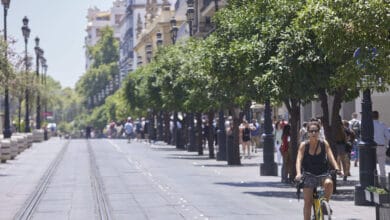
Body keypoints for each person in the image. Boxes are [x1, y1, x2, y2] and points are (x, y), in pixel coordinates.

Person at [295, 120, 342, 220]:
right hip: (308, 175)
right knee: (308, 202)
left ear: (319, 132)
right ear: (307, 132)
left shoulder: (323, 143)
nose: (313, 133)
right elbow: (298, 160)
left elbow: (331, 157)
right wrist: (298, 173)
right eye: (311, 131)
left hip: (323, 174)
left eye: (316, 131)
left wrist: (337, 168)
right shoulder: (304, 145)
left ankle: (325, 204)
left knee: (329, 183)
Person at [372, 111, 390, 185]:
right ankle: (383, 184)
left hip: (371, 147)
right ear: (378, 116)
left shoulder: (369, 125)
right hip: (381, 146)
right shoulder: (382, 125)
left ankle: (373, 182)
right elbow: (388, 136)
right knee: (382, 166)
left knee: (371, 166)